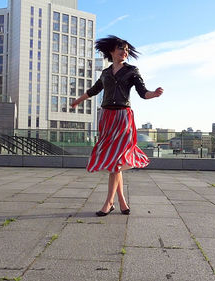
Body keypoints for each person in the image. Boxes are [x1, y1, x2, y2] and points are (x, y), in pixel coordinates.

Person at [70, 35, 163, 216]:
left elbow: (143, 92)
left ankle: (108, 202)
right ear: (112, 51)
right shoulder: (105, 73)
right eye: (121, 48)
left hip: (123, 118)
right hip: (107, 118)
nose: (124, 52)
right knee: (115, 163)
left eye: (127, 50)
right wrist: (77, 101)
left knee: (115, 163)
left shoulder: (132, 71)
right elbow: (94, 90)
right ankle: (122, 201)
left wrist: (154, 94)